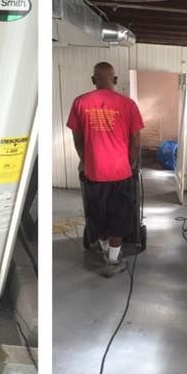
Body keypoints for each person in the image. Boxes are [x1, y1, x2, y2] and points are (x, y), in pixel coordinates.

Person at [67, 62, 144, 277]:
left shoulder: (80, 102)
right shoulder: (128, 104)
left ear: (93, 80)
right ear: (116, 80)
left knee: (96, 214)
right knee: (119, 215)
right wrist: (131, 164)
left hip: (93, 172)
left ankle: (103, 250)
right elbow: (136, 141)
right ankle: (112, 260)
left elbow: (77, 138)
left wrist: (86, 160)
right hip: (120, 173)